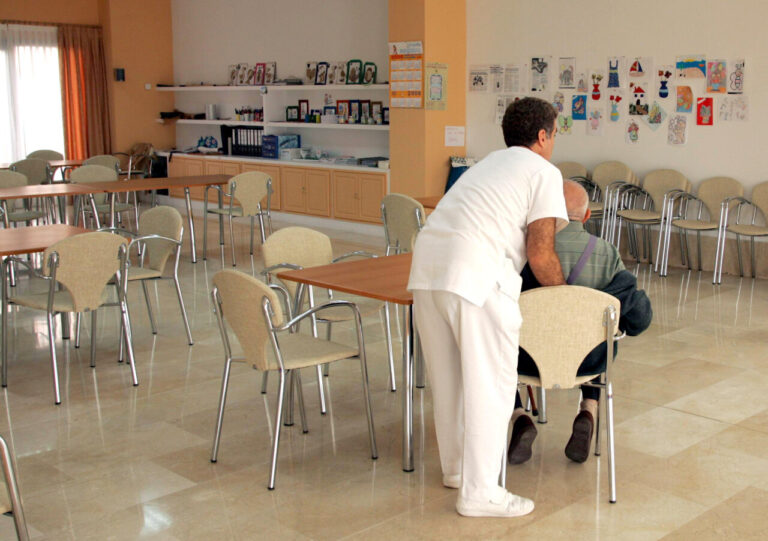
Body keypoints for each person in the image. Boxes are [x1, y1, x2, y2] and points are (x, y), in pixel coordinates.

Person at [408, 97, 568, 518]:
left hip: (428, 268)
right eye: (555, 133)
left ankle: (459, 471)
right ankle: (481, 493)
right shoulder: (543, 172)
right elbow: (541, 253)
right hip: (476, 276)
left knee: (449, 382)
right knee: (491, 385)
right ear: (542, 136)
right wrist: (566, 301)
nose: (555, 141)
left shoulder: (486, 165)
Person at [507, 180, 652, 465]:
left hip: (525, 361)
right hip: (588, 363)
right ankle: (588, 408)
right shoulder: (607, 253)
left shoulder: (524, 252)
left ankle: (519, 416)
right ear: (586, 216)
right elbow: (639, 321)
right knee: (594, 332)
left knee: (497, 342)